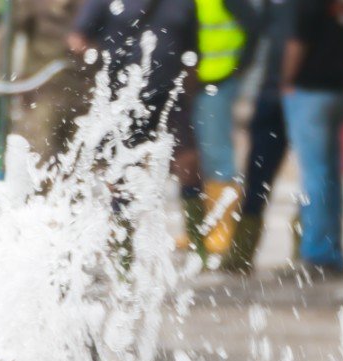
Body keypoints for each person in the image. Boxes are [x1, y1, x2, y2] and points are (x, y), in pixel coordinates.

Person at [68, 0, 203, 233]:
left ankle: (198, 241)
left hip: (170, 94)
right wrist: (99, 63)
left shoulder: (184, 3)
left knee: (188, 162)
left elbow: (192, 51)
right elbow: (78, 40)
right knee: (123, 172)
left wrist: (190, 92)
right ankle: (123, 247)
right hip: (123, 97)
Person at [279, 0, 343, 277]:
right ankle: (333, 253)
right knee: (330, 178)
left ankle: (318, 255)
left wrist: (286, 80)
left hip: (309, 92)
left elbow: (297, 41)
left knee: (315, 176)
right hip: (337, 93)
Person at [221, 0, 293, 273]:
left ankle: (309, 255)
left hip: (296, 94)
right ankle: (241, 253)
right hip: (269, 96)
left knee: (313, 179)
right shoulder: (268, 8)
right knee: (257, 179)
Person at [189, 0, 258, 257]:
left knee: (217, 155)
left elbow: (253, 26)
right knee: (197, 158)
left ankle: (221, 230)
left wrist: (237, 69)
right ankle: (202, 227)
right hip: (194, 81)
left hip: (217, 80)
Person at [11, 0, 89, 159]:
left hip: (81, 85)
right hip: (43, 87)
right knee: (42, 148)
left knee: (82, 152)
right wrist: (5, 80)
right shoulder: (31, 4)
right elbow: (8, 34)